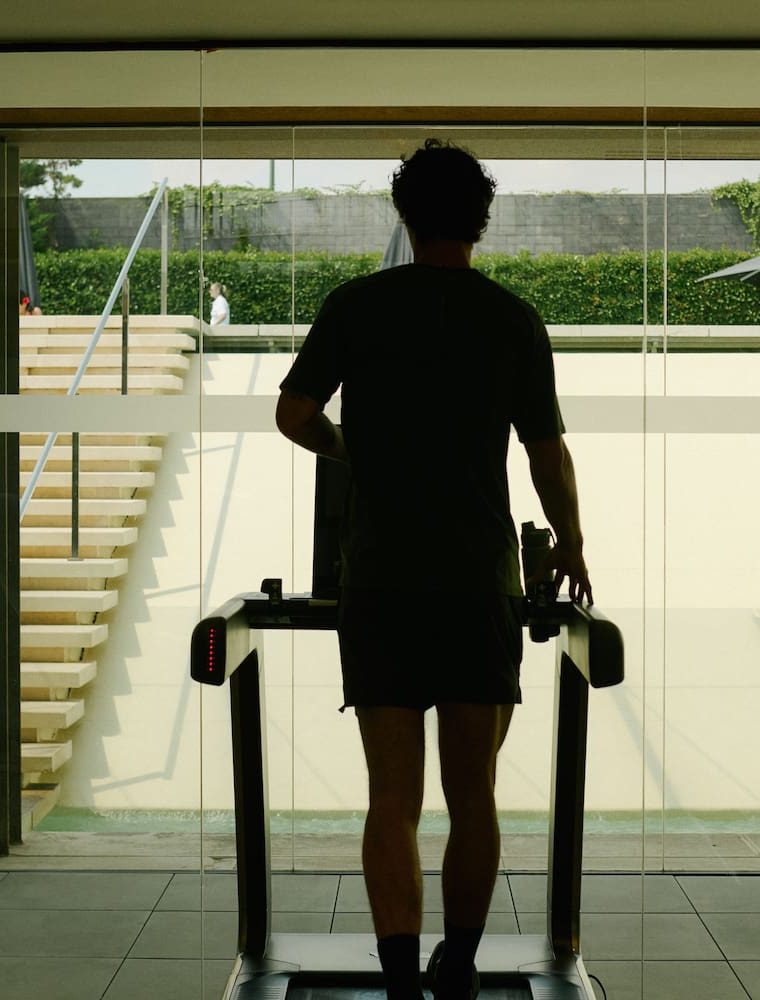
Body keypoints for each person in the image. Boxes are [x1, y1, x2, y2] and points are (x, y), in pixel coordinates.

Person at [274, 139, 591, 1000]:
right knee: (473, 793)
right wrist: (570, 541)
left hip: (381, 579)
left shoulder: (356, 306)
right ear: (480, 220)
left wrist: (352, 449)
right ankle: (460, 963)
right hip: (477, 580)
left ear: (405, 216)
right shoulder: (511, 318)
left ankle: (399, 978)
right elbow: (546, 451)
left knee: (392, 797)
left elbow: (294, 414)